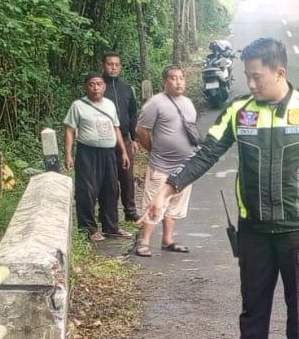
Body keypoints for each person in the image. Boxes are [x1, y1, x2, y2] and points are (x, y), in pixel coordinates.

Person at [145, 38, 299, 339]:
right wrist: (167, 189)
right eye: (247, 77)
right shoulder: (240, 111)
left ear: (280, 73)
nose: (250, 85)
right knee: (253, 305)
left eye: (257, 77)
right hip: (253, 228)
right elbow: (205, 154)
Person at [131, 65, 200, 257]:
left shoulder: (187, 103)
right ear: (165, 82)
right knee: (155, 202)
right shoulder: (155, 103)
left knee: (176, 204)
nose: (178, 82)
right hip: (161, 165)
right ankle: (144, 242)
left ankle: (167, 239)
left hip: (185, 165)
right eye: (173, 78)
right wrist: (153, 149)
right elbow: (142, 130)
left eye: (181, 78)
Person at [64, 72, 133, 241]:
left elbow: (116, 128)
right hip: (87, 153)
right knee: (87, 190)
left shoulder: (109, 104)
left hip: (109, 153)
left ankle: (111, 227)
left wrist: (123, 151)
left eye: (99, 84)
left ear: (104, 86)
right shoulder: (78, 105)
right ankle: (89, 228)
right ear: (85, 87)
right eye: (91, 84)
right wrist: (68, 154)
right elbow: (70, 130)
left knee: (111, 189)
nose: (96, 88)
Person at [101, 51, 142, 221]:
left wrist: (135, 138)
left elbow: (133, 114)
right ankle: (107, 215)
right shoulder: (98, 86)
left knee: (127, 177)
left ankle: (130, 212)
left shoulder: (126, 89)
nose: (114, 68)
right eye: (110, 64)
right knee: (108, 180)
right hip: (104, 141)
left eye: (117, 65)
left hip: (124, 139)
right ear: (103, 65)